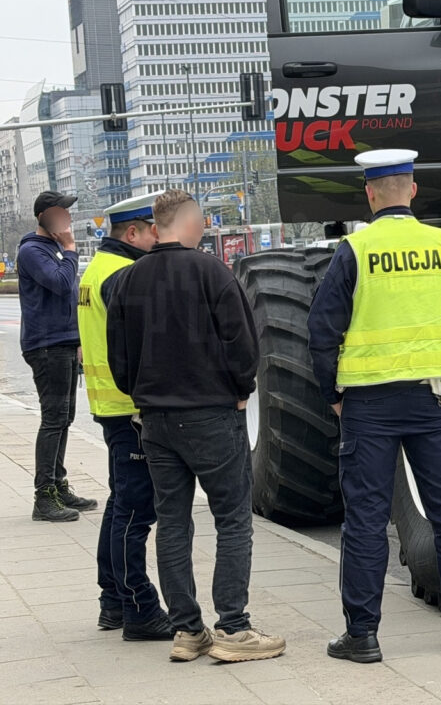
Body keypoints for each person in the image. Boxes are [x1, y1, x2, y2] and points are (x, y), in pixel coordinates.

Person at [307, 149, 441, 664]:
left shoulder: (355, 249)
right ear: (413, 189)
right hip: (432, 399)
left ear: (369, 194)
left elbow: (322, 331)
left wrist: (333, 395)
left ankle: (362, 636)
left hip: (367, 403)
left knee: (365, 519)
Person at [106, 189, 285, 664]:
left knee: (172, 522)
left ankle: (187, 631)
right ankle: (234, 628)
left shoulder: (126, 281)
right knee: (231, 519)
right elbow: (242, 343)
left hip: (155, 422)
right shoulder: (212, 271)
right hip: (210, 414)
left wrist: (142, 394)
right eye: (201, 219)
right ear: (189, 221)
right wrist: (241, 388)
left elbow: (118, 361)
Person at [78, 192, 174, 642]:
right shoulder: (122, 275)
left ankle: (113, 601)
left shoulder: (96, 269)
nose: (160, 239)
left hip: (111, 406)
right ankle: (139, 609)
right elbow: (142, 346)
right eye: (154, 231)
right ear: (132, 233)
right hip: (130, 410)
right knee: (135, 514)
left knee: (121, 506)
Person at [17, 190, 97, 522]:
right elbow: (62, 285)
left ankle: (59, 486)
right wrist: (71, 248)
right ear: (46, 217)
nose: (68, 219)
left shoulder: (51, 249)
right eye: (63, 213)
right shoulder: (33, 251)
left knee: (64, 419)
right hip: (46, 346)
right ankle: (43, 497)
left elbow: (69, 300)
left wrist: (78, 340)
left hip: (63, 343)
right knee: (53, 420)